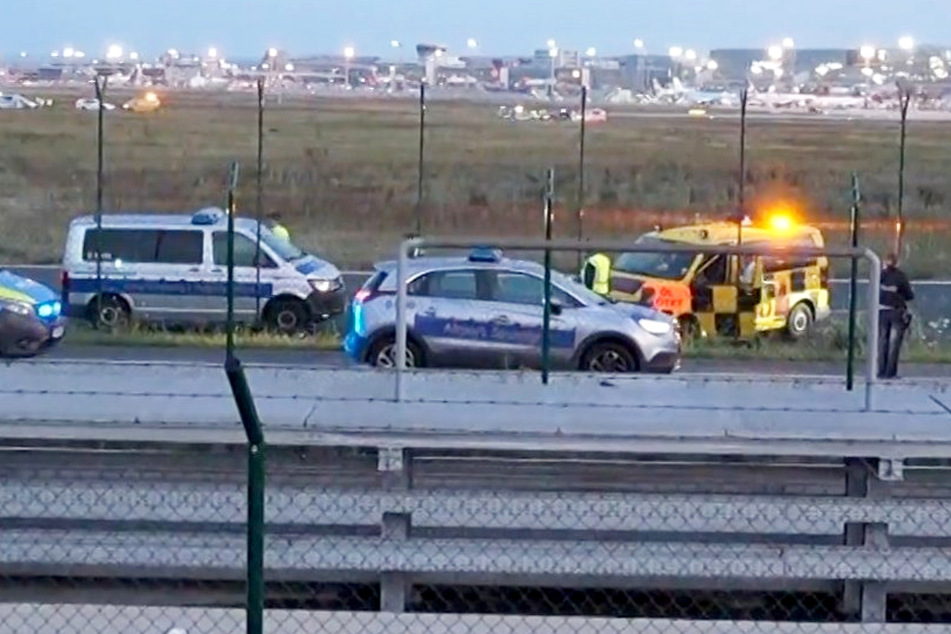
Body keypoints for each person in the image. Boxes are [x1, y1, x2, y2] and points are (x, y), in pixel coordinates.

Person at [878, 253, 914, 379]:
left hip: (882, 310)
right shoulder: (901, 277)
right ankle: (890, 372)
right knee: (894, 343)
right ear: (896, 262)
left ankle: (881, 371)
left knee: (883, 341)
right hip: (897, 311)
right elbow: (909, 295)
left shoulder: (879, 275)